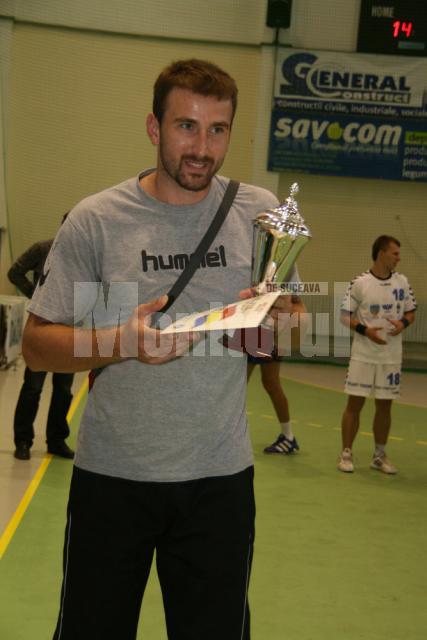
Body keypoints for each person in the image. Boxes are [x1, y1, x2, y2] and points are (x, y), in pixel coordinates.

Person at [22, 59, 299, 640]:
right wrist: (121, 341)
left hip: (218, 482)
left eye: (217, 129)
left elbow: (284, 329)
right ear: (154, 128)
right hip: (113, 479)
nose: (201, 147)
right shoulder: (98, 221)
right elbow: (38, 344)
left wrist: (272, 317)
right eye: (186, 127)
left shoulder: (258, 214)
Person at [338, 235, 416, 474]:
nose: (398, 258)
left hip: (391, 356)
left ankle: (379, 455)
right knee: (355, 403)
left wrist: (402, 323)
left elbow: (411, 312)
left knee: (385, 406)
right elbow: (344, 316)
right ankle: (346, 453)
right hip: (363, 353)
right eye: (395, 253)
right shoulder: (360, 283)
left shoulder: (402, 282)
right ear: (381, 253)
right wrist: (365, 331)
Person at [8, 222, 75, 461]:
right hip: (43, 329)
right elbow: (14, 272)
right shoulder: (43, 248)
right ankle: (23, 441)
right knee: (32, 388)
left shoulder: (85, 256)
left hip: (71, 331)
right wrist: (36, 298)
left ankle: (56, 440)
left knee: (64, 390)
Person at [247, 296, 306, 455]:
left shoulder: (281, 274)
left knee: (239, 386)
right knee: (271, 383)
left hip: (263, 330)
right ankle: (288, 436)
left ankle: (288, 436)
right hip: (263, 328)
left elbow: (297, 303)